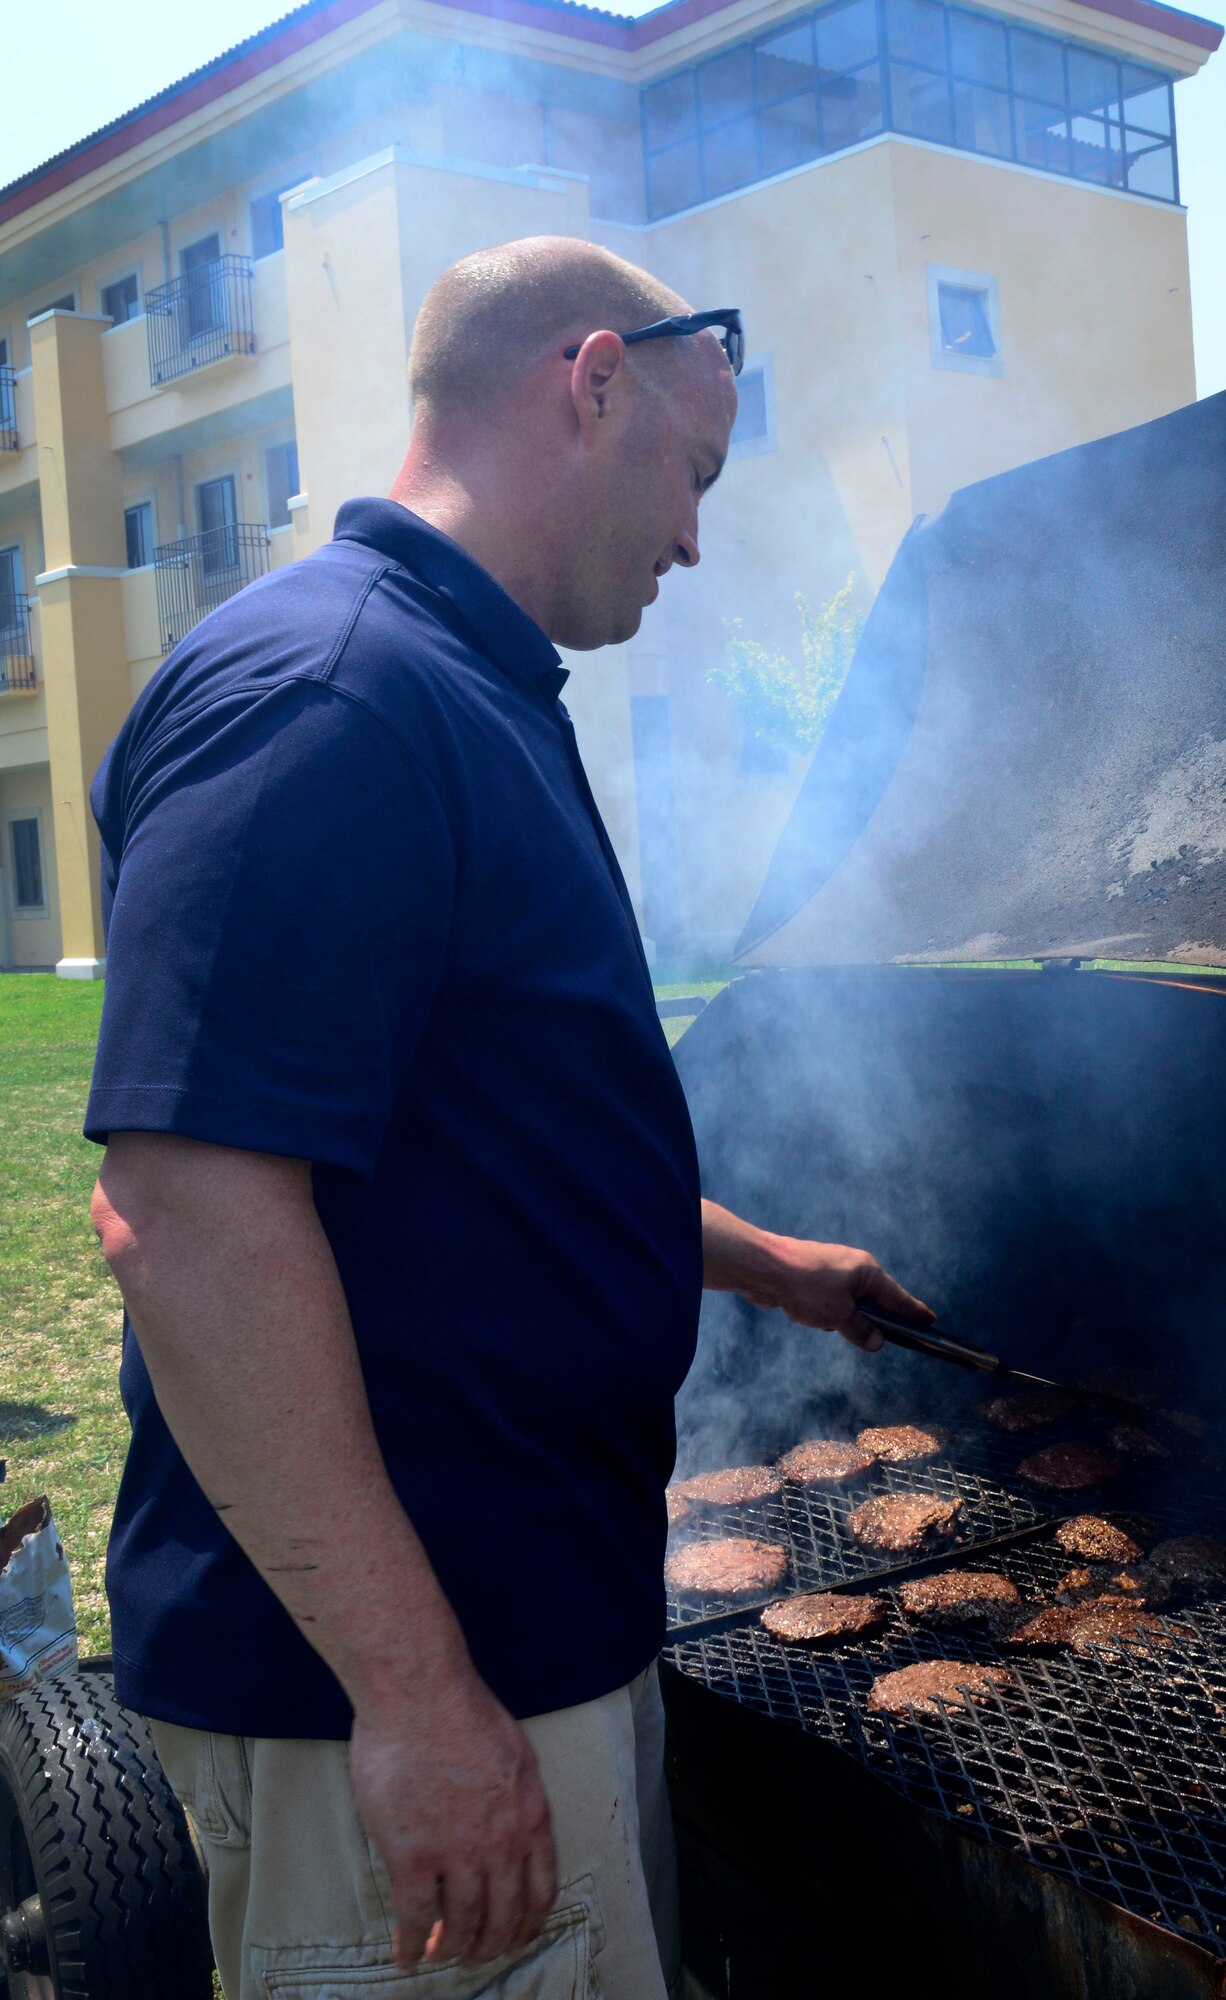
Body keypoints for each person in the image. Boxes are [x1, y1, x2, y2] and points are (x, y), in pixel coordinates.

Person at [87, 237, 930, 2000]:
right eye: (694, 476)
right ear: (592, 379)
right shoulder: (331, 701)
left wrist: (766, 1265)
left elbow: (471, 1139)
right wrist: (412, 1699)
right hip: (390, 1695)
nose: (696, 538)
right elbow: (191, 1219)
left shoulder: (462, 690)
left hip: (522, 1633)